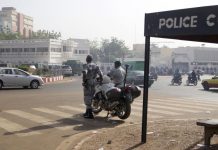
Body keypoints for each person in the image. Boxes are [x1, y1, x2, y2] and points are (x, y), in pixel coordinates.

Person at [82, 55, 103, 119]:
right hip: (94, 82)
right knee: (91, 97)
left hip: (88, 82)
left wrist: (84, 81)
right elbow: (101, 74)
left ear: (86, 59)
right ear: (92, 59)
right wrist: (100, 80)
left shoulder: (86, 65)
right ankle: (87, 112)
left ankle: (90, 114)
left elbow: (84, 73)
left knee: (87, 97)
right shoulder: (96, 65)